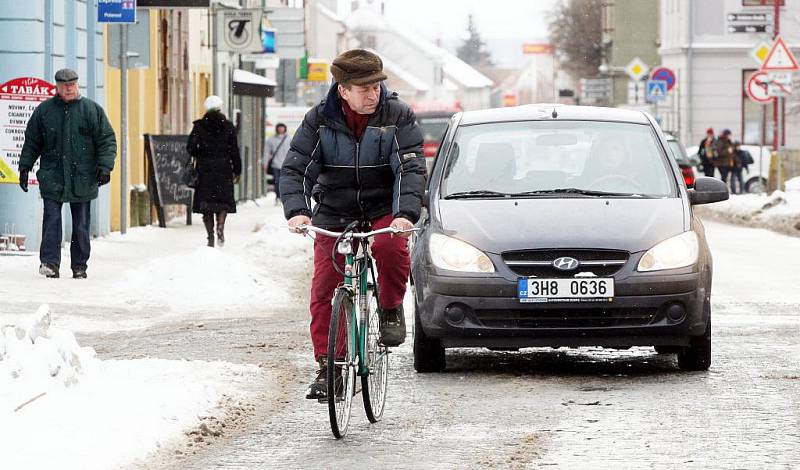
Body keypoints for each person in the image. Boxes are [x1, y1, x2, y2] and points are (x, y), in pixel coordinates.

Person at [280, 49, 425, 400]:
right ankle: (329, 366)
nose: (372, 94)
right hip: (335, 208)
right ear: (343, 90)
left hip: (382, 206)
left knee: (390, 247)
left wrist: (404, 214)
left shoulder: (398, 116)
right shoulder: (319, 120)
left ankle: (390, 308)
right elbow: (295, 168)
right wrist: (297, 211)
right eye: (364, 88)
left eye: (376, 86)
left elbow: (411, 168)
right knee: (324, 286)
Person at [18, 68, 117, 279]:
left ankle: (79, 265)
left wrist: (105, 166)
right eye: (64, 85)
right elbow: (32, 141)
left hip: (83, 176)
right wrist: (24, 167)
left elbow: (106, 140)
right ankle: (50, 262)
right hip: (53, 175)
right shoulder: (45, 112)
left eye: (72, 84)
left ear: (77, 85)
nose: (68, 88)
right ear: (57, 87)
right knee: (52, 219)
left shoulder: (91, 110)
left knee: (81, 224)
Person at [187, 95, 242, 248]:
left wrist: (201, 152)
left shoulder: (199, 126)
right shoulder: (228, 126)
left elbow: (190, 148)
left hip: (205, 170)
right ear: (220, 108)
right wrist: (237, 169)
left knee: (207, 205)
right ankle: (220, 226)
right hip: (223, 169)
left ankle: (210, 236)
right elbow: (234, 150)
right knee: (222, 203)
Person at [264, 122, 290, 203]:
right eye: (279, 128)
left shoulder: (289, 139)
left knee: (285, 181)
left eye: (282, 128)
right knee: (277, 181)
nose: (281, 129)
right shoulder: (271, 139)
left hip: (286, 164)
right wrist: (265, 163)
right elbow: (266, 152)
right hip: (275, 164)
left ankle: (284, 197)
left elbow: (293, 151)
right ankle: (278, 197)